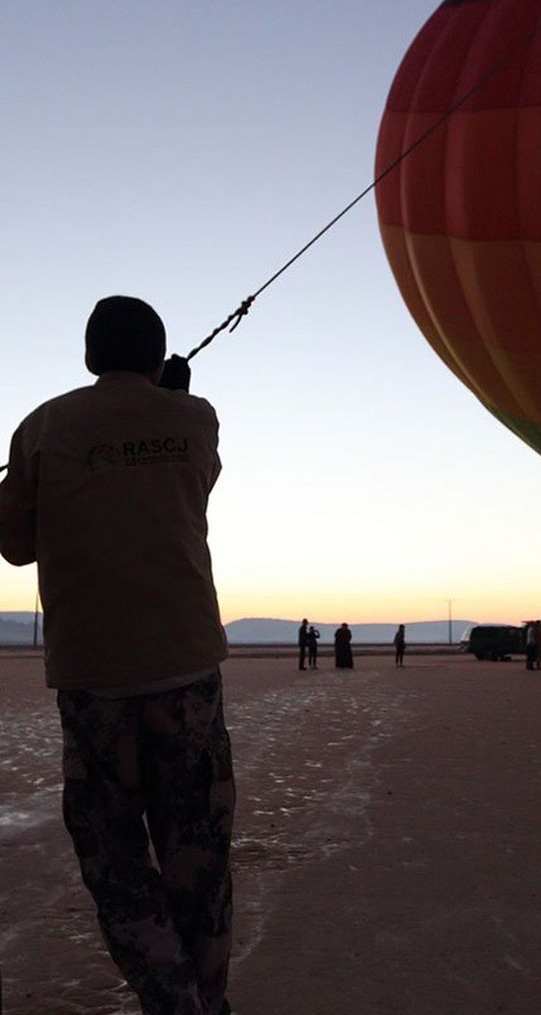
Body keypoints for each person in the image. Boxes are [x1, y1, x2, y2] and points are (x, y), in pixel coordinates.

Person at [0, 296, 234, 1015]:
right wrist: (173, 398)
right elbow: (192, 481)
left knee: (115, 858)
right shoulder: (194, 420)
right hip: (187, 670)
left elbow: (15, 545)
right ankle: (206, 1000)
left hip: (93, 679)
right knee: (198, 857)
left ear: (88, 355)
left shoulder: (42, 426)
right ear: (158, 355)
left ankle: (170, 998)